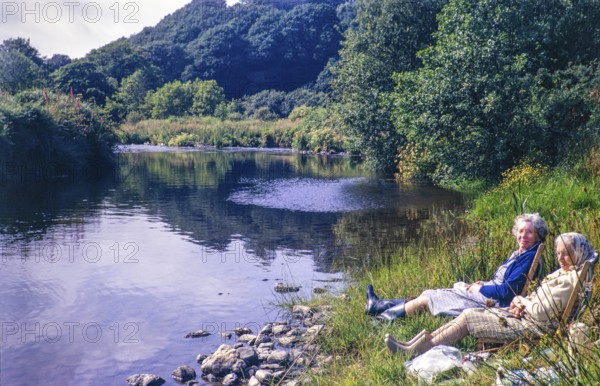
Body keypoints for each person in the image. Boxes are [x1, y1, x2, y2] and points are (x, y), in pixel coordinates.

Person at [384, 232, 596, 358]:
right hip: (524, 315)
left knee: (469, 316)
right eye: (558, 253)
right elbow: (540, 301)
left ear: (577, 254)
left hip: (533, 327)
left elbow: (541, 313)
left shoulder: (571, 281)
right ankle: (416, 345)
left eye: (566, 254)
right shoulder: (565, 272)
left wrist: (520, 300)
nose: (561, 258)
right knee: (472, 311)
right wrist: (520, 302)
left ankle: (421, 350)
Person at [366, 213, 548, 321]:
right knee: (427, 294)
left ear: (538, 236)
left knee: (427, 298)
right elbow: (503, 283)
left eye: (529, 232)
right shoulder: (520, 253)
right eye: (521, 231)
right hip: (489, 296)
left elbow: (507, 293)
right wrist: (484, 284)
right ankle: (378, 306)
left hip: (495, 304)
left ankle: (381, 320)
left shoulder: (529, 258)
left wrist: (482, 288)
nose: (523, 235)